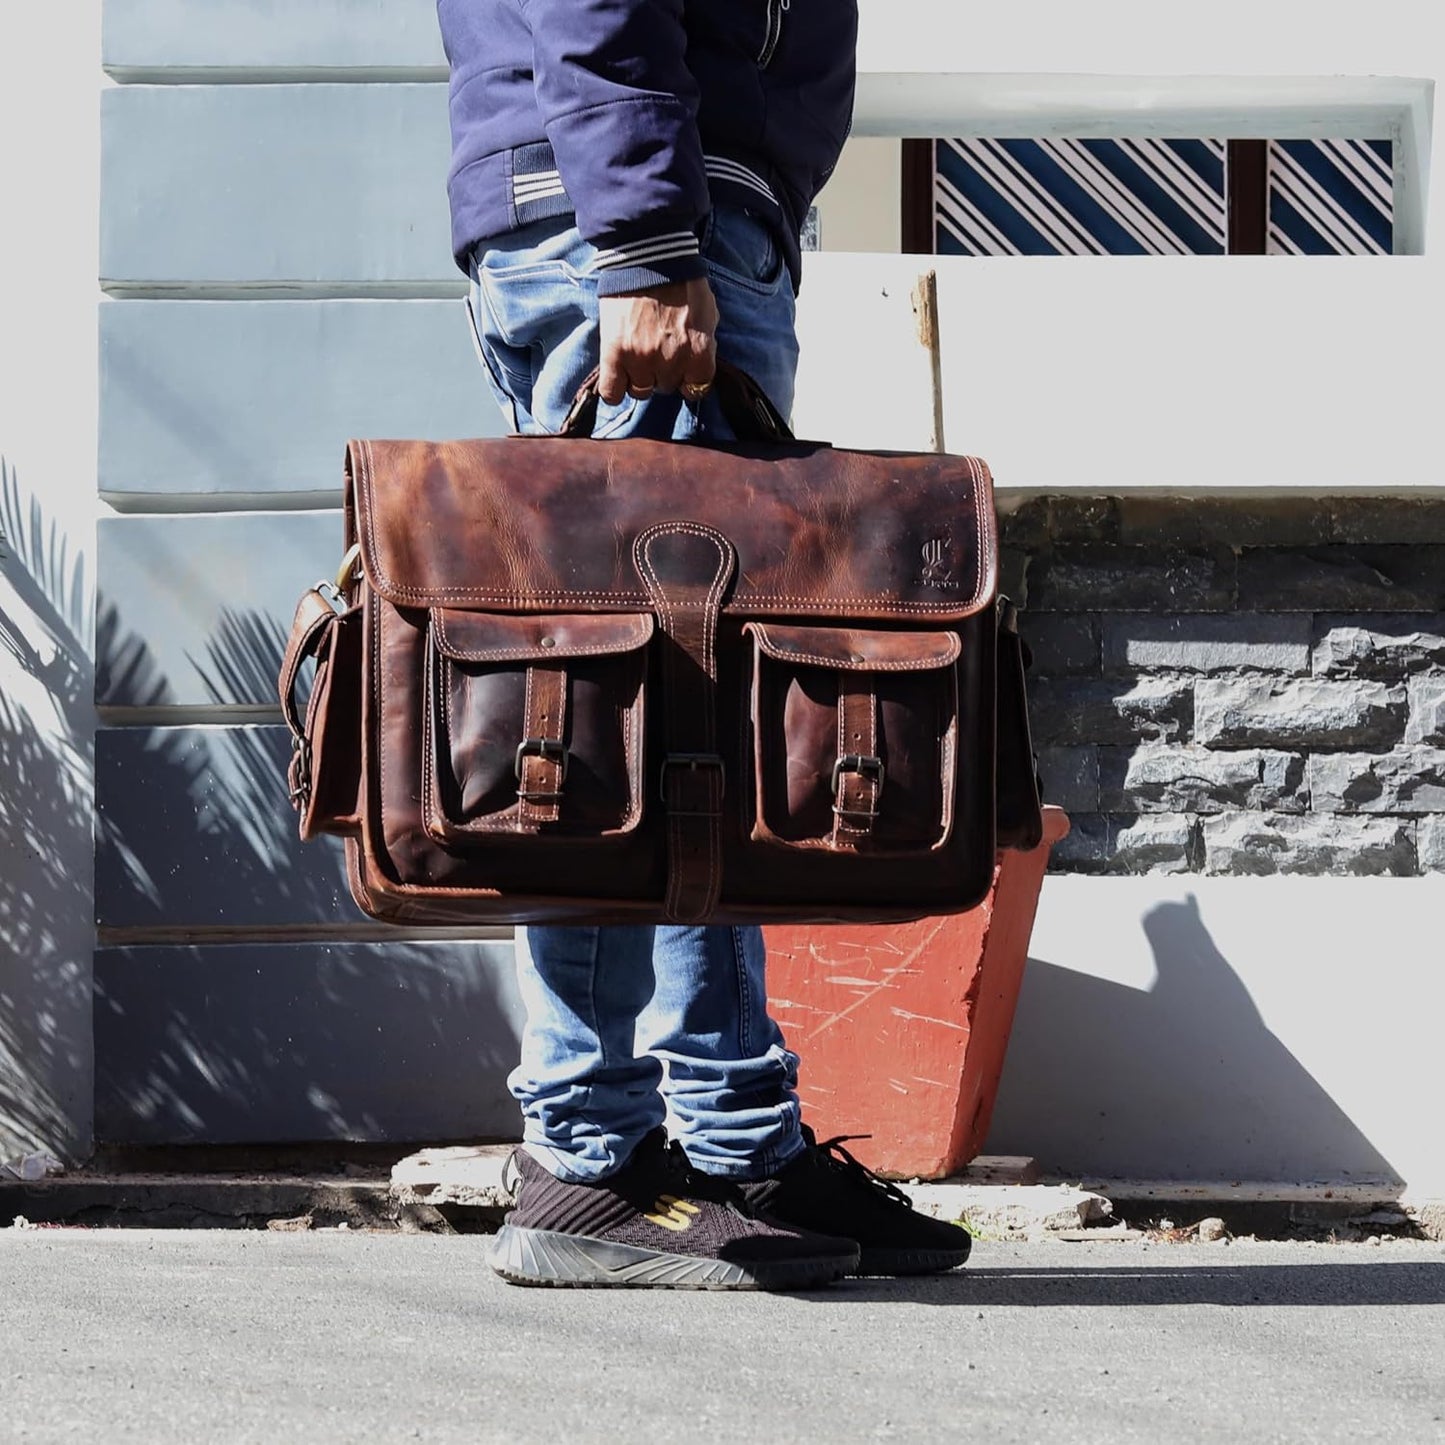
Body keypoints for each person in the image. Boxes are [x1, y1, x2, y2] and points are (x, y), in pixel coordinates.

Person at [437, 0, 974, 1289]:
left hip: (662, 208)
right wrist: (643, 245)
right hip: (631, 222)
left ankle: (727, 1142)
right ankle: (595, 1157)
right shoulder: (639, 235)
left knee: (667, 701)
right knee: (635, 702)